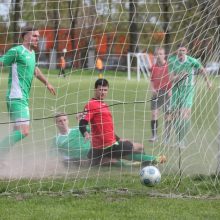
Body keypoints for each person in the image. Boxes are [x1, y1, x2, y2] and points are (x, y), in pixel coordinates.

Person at [79, 78, 166, 166]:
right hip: (108, 146)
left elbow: (106, 129)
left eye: (105, 90)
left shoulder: (103, 104)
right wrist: (85, 133)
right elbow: (82, 123)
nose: (103, 92)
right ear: (95, 90)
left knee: (112, 161)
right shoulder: (91, 104)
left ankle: (139, 163)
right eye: (100, 90)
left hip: (100, 148)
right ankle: (154, 160)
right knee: (140, 147)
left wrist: (119, 139)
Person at [0, 26, 56, 157]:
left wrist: (47, 83)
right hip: (16, 97)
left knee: (17, 130)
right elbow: (1, 61)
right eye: (34, 35)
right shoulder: (17, 51)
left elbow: (34, 69)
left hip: (23, 98)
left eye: (38, 36)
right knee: (23, 131)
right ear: (25, 36)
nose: (38, 38)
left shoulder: (32, 53)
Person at [168, 46, 211, 148]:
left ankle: (182, 140)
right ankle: (179, 138)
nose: (181, 52)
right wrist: (180, 76)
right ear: (176, 51)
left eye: (183, 50)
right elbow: (171, 78)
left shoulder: (192, 61)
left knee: (185, 114)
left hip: (188, 90)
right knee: (175, 116)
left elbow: (202, 70)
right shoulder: (172, 61)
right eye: (180, 50)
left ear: (186, 51)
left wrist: (208, 82)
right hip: (176, 90)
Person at [149, 47, 172, 143]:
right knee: (154, 114)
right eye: (157, 54)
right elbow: (151, 80)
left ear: (164, 55)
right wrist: (152, 88)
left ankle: (167, 138)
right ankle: (154, 136)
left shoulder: (169, 66)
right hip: (156, 93)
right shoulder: (153, 67)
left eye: (161, 54)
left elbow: (173, 79)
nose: (159, 56)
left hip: (167, 93)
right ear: (155, 55)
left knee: (167, 116)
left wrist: (171, 90)